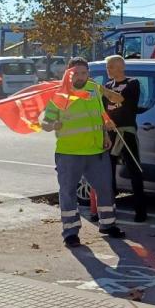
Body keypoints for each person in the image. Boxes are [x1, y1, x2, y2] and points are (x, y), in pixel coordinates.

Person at [41, 57, 126, 247]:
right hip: (69, 153)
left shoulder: (93, 89)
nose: (80, 77)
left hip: (96, 151)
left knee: (105, 189)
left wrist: (105, 134)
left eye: (83, 73)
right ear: (68, 74)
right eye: (76, 73)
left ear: (88, 73)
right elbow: (44, 124)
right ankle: (70, 233)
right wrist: (54, 124)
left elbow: (100, 114)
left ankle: (107, 225)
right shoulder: (60, 94)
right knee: (68, 193)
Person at [104, 55, 147, 222]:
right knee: (109, 170)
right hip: (112, 133)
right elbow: (104, 108)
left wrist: (103, 90)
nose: (108, 70)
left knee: (135, 170)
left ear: (121, 67)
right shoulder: (108, 85)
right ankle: (110, 207)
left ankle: (140, 211)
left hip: (127, 132)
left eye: (111, 67)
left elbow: (124, 102)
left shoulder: (132, 83)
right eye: (107, 67)